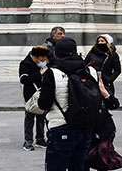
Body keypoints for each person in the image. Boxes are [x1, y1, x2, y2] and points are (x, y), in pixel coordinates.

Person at [38, 37, 95, 171]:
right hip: (85, 128)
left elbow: (43, 104)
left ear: (56, 53)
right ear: (75, 52)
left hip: (61, 127)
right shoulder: (89, 71)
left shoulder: (52, 73)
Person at [19, 45, 50, 151]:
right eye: (42, 57)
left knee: (42, 116)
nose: (44, 59)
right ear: (35, 56)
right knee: (30, 117)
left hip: (44, 93)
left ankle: (40, 138)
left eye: (45, 57)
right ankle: (28, 140)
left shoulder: (46, 64)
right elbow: (24, 79)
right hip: (31, 94)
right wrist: (39, 74)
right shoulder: (25, 64)